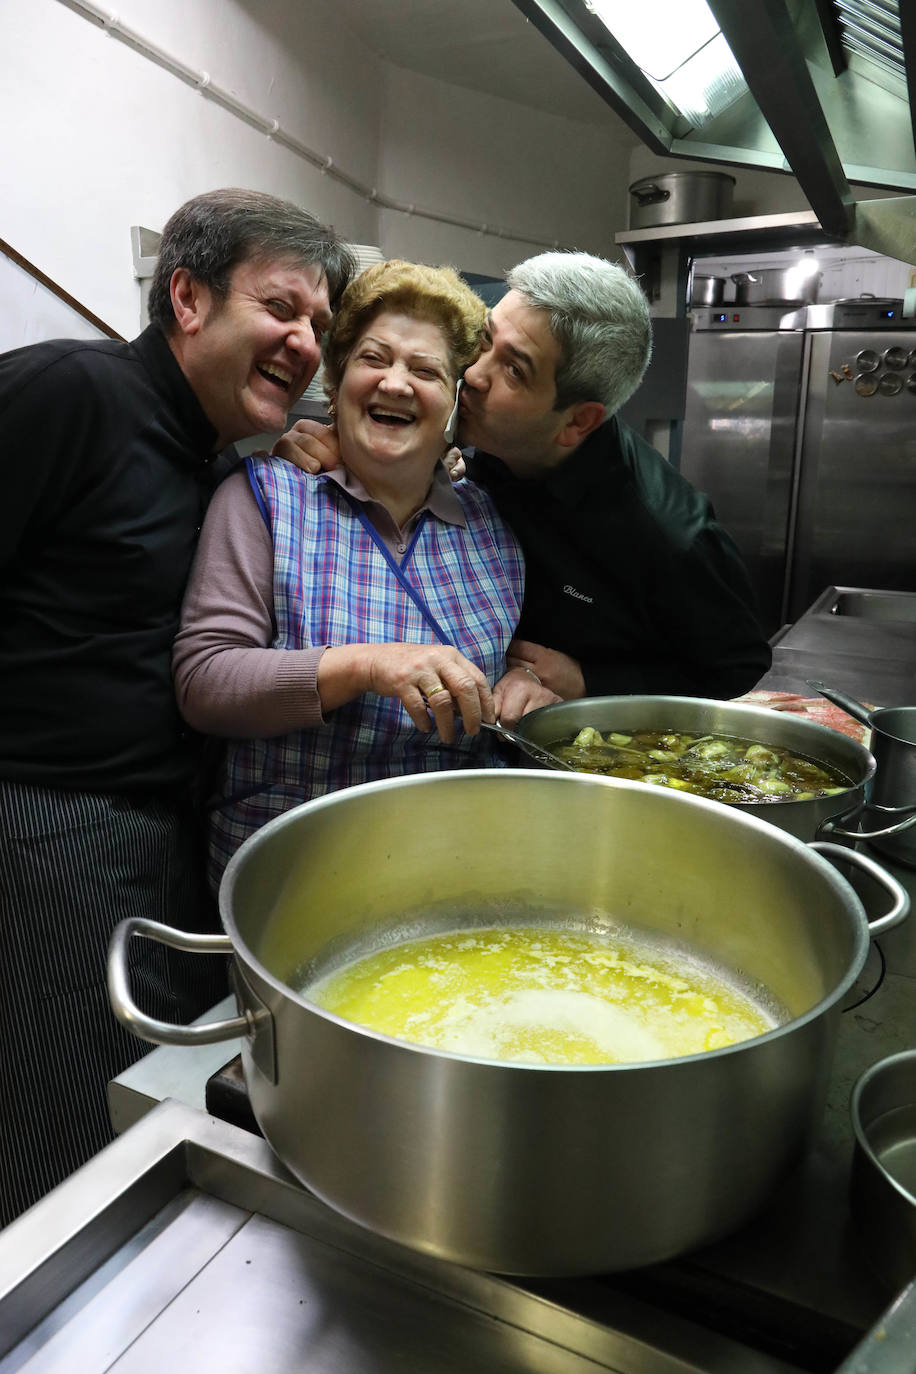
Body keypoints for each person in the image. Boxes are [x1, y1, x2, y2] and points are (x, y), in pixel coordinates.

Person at [0, 188, 354, 1223]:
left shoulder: (218, 453)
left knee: (133, 1097)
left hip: (159, 836)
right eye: (283, 309)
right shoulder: (71, 391)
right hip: (49, 825)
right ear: (188, 298)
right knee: (65, 1121)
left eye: (321, 330)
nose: (304, 343)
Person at [172, 260, 558, 888]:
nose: (397, 384)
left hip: (455, 866)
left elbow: (511, 663)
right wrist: (367, 665)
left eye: (426, 370)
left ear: (457, 400)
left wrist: (526, 686)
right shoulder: (266, 498)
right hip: (293, 871)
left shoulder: (492, 529)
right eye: (374, 359)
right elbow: (204, 680)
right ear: (337, 378)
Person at [277, 251, 772, 701]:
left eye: (515, 370)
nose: (473, 374)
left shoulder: (667, 535)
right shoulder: (486, 434)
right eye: (487, 340)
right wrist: (335, 444)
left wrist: (591, 682)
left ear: (577, 422)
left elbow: (736, 667)